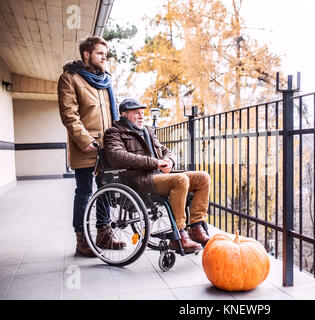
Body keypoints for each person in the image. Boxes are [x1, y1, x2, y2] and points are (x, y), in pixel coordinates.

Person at [103, 98, 211, 253]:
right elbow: (117, 156)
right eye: (136, 113)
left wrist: (169, 160)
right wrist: (155, 163)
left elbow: (165, 150)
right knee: (181, 180)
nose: (141, 116)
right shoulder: (114, 132)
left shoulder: (147, 130)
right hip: (139, 179)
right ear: (124, 114)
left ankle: (196, 227)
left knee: (203, 177)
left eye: (142, 113)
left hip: (159, 175)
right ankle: (179, 234)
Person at [58, 36, 125, 257]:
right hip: (85, 146)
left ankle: (104, 235)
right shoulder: (70, 78)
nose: (104, 58)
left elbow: (113, 114)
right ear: (86, 54)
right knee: (84, 191)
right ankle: (81, 239)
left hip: (108, 146)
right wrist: (85, 140)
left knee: (105, 189)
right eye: (99, 53)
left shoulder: (106, 81)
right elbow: (69, 114)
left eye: (105, 54)